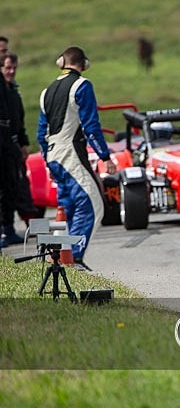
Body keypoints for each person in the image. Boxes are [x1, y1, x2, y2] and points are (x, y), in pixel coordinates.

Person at [37, 46, 116, 266]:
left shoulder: (47, 91)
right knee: (93, 203)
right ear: (84, 65)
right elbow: (91, 125)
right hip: (70, 154)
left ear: (61, 62)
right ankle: (75, 257)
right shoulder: (82, 86)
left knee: (67, 208)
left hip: (53, 156)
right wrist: (105, 156)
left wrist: (49, 163)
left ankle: (62, 260)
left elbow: (41, 134)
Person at [2, 53, 38, 245]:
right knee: (5, 188)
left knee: (16, 186)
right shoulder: (3, 92)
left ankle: (11, 228)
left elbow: (19, 120)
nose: (12, 72)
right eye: (8, 68)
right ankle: (4, 229)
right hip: (4, 143)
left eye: (14, 68)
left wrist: (23, 143)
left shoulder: (14, 92)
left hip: (14, 144)